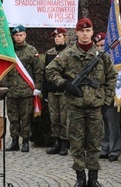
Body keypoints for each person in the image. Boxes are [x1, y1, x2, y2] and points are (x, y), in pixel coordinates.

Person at [46, 18, 117, 187]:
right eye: (81, 31)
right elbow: (50, 70)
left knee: (94, 143)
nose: (85, 34)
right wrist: (65, 84)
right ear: (76, 33)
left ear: (92, 32)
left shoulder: (102, 56)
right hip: (75, 107)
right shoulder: (68, 55)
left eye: (88, 31)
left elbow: (112, 77)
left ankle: (93, 178)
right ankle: (80, 178)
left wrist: (106, 99)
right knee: (76, 144)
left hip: (94, 108)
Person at [5, 25, 43, 153]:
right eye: (16, 35)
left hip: (26, 91)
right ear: (13, 36)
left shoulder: (32, 51)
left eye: (21, 35)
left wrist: (37, 87)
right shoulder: (8, 51)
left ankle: (25, 141)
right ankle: (14, 141)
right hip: (11, 91)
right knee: (13, 118)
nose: (19, 37)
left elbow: (38, 71)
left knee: (26, 117)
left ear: (25, 35)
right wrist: (5, 84)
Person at [93, 32, 121, 162]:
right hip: (99, 96)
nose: (101, 48)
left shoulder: (115, 59)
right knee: (102, 124)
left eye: (103, 45)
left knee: (112, 124)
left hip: (111, 96)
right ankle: (104, 148)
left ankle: (114, 150)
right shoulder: (96, 59)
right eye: (98, 45)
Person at [43, 27, 69, 156]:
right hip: (52, 90)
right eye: (55, 37)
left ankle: (64, 143)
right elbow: (45, 73)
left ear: (65, 37)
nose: (57, 39)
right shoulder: (50, 52)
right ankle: (56, 142)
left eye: (59, 36)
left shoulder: (69, 52)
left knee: (64, 117)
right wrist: (44, 91)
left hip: (64, 90)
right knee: (54, 118)